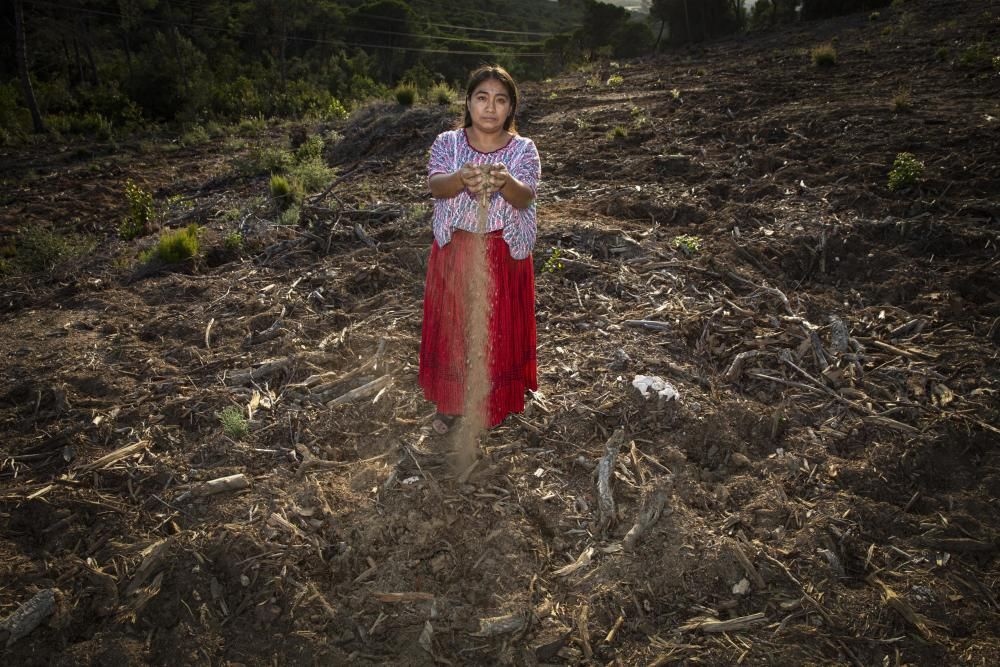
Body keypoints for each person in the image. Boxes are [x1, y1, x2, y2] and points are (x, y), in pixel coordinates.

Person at [418, 64, 541, 434]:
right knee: (455, 326)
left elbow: (525, 197)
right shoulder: (448, 143)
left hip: (502, 252)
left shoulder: (523, 149)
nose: (491, 108)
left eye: (500, 100)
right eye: (482, 98)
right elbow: (436, 186)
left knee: (497, 327)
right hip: (456, 250)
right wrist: (460, 178)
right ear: (469, 102)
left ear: (511, 108)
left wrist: (505, 182)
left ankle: (494, 402)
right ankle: (452, 402)